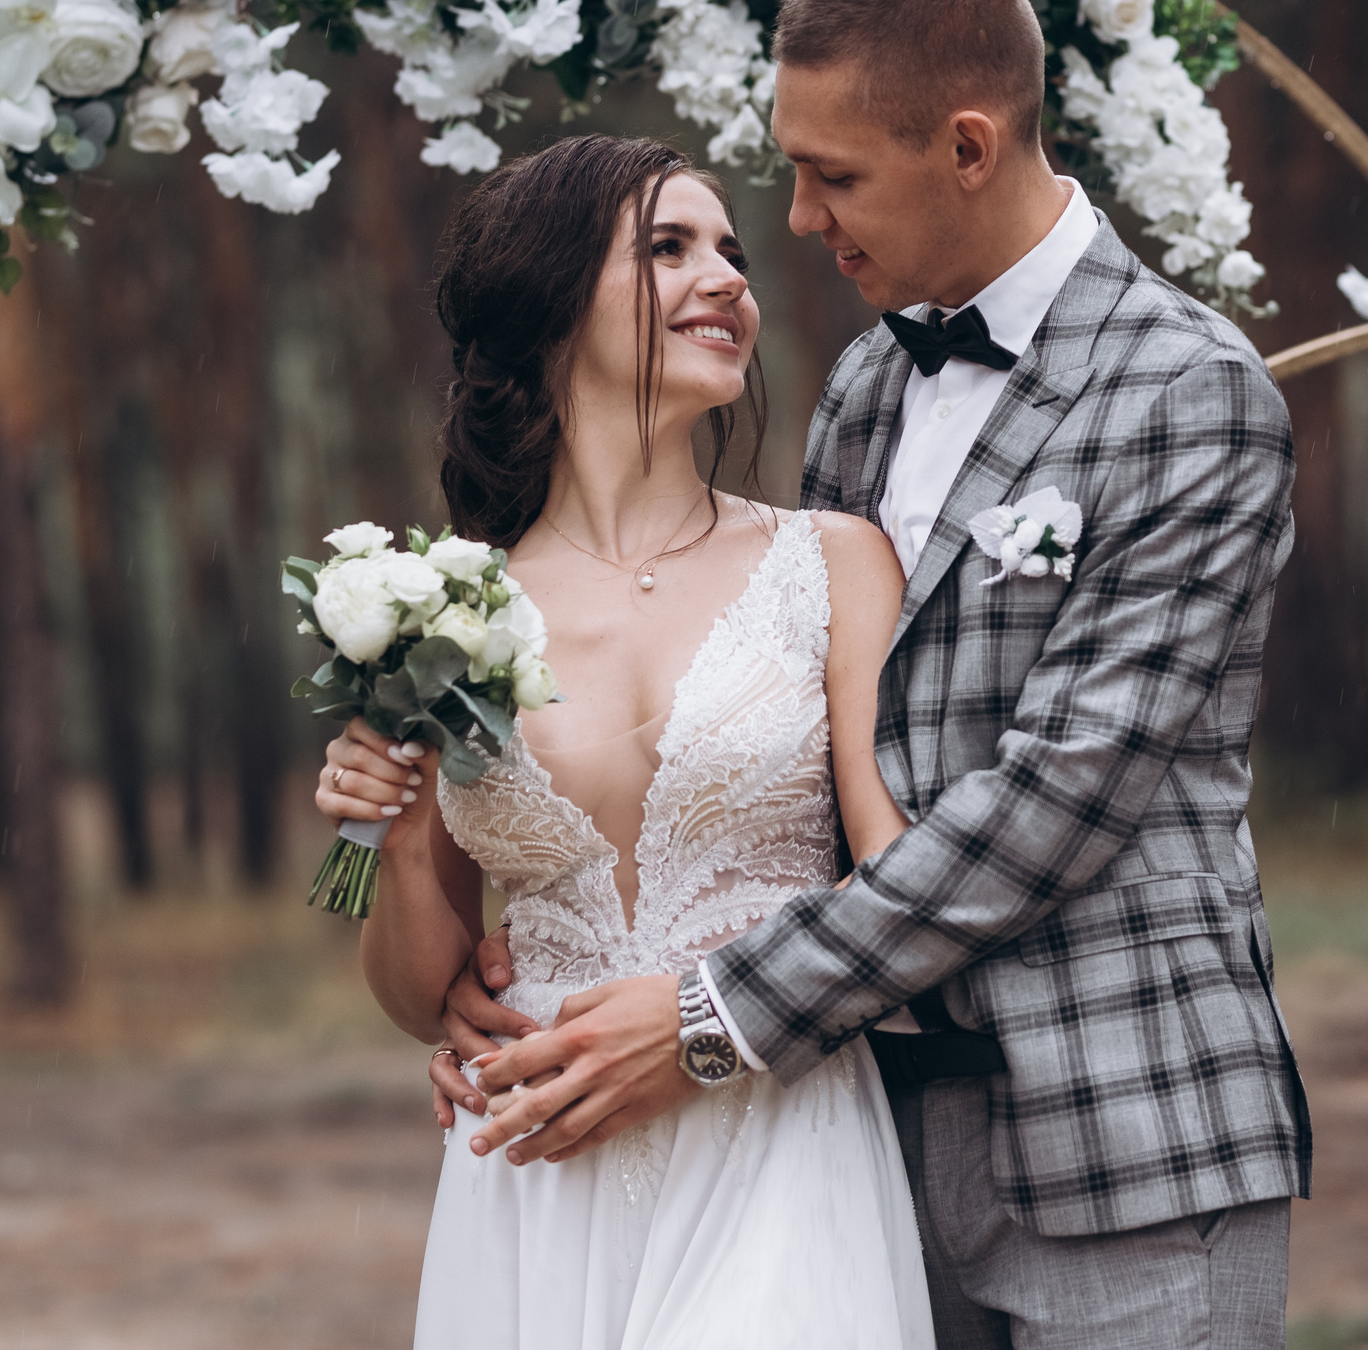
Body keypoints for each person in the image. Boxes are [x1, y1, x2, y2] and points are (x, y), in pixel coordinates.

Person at [404, 0, 1315, 1349]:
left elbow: (1054, 802)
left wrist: (709, 1013)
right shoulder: (870, 394)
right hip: (861, 1129)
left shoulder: (1189, 393)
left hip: (1121, 1122)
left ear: (967, 145)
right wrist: (499, 936)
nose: (805, 223)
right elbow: (803, 758)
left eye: (834, 177)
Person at [313, 132, 935, 1348]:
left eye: (732, 252)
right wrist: (384, 833)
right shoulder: (442, 613)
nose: (728, 279)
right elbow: (418, 994)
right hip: (537, 1163)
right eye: (668, 248)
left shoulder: (833, 563)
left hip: (781, 1141)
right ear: (551, 304)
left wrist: (723, 1013)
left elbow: (896, 883)